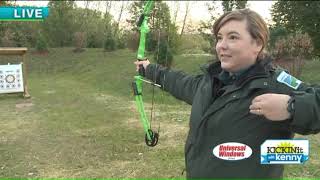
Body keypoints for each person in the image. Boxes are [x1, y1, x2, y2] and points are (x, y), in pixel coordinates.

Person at [134, 8, 320, 178]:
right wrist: (149, 69)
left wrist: (291, 107)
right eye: (219, 37)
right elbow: (180, 82)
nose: (221, 45)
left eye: (232, 37)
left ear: (257, 43)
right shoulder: (211, 82)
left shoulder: (275, 84)